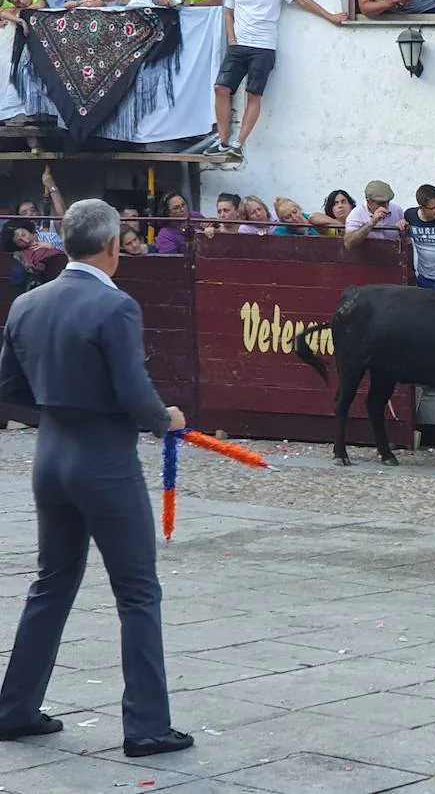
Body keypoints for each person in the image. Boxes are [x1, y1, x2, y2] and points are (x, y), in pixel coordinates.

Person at [0, 199, 193, 758]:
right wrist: (166, 419)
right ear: (113, 247)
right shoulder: (117, 307)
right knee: (136, 592)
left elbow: (9, 387)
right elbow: (136, 394)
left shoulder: (27, 303)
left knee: (51, 585)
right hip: (104, 461)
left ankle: (13, 708)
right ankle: (147, 726)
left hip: (50, 455)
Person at [210, 0, 346, 163]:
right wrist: (231, 38)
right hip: (239, 46)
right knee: (220, 88)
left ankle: (238, 144)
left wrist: (330, 16)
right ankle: (223, 142)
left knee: (253, 94)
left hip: (264, 46)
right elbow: (228, 12)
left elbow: (301, 0)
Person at [344, 180, 407, 247]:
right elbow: (348, 243)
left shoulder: (397, 210)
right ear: (368, 201)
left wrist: (403, 228)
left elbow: (404, 240)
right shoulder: (356, 214)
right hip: (367, 255)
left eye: (387, 202)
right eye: (380, 203)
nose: (385, 206)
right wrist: (371, 223)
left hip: (392, 254)